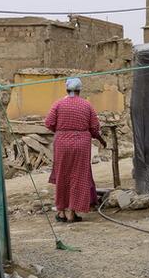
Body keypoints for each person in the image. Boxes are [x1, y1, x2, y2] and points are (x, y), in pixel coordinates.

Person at [44, 76, 104, 222]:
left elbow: (49, 123)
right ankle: (72, 212)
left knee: (62, 175)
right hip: (81, 144)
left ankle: (61, 212)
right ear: (79, 90)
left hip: (62, 143)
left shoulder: (58, 104)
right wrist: (100, 138)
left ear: (67, 89)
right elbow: (94, 128)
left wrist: (61, 132)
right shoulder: (87, 105)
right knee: (78, 177)